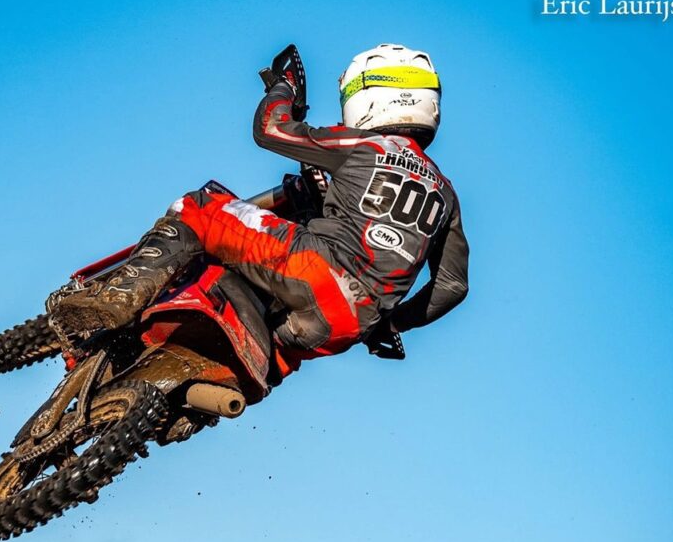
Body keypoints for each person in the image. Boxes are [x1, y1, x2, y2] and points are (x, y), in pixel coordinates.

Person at [50, 43, 468, 366]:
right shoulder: (445, 192)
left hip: (313, 269)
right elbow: (452, 286)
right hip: (346, 327)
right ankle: (183, 401)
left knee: (200, 207)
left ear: (373, 94)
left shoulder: (367, 145)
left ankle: (116, 299)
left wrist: (283, 86)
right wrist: (391, 323)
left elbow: (272, 129)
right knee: (271, 354)